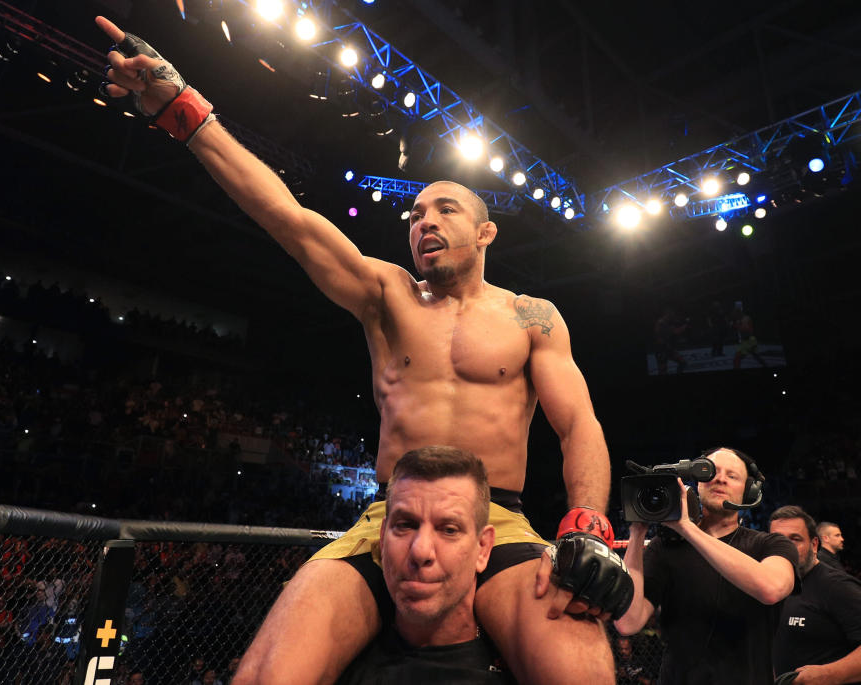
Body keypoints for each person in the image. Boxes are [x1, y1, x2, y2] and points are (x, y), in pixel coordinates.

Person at [95, 17, 631, 684]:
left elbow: (578, 422)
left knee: (583, 670)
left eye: (444, 211)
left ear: (487, 231)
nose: (423, 222)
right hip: (390, 515)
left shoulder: (532, 316)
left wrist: (585, 524)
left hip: (499, 519)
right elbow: (288, 219)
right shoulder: (386, 294)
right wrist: (185, 109)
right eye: (414, 215)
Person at [614, 447, 798, 684]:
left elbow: (771, 588)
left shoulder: (771, 544)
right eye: (711, 472)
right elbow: (628, 622)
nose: (720, 478)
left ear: (749, 492)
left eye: (732, 476)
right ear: (697, 485)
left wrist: (686, 528)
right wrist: (637, 533)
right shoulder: (665, 547)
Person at [336, 446, 515, 684]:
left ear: (482, 548)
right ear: (382, 536)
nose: (420, 551)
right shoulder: (333, 663)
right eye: (405, 525)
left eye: (449, 529)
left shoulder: (526, 667)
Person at [770, 506, 861, 684]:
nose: (786, 547)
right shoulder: (773, 585)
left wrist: (830, 674)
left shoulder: (837, 586)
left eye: (795, 539)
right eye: (777, 540)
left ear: (814, 545)